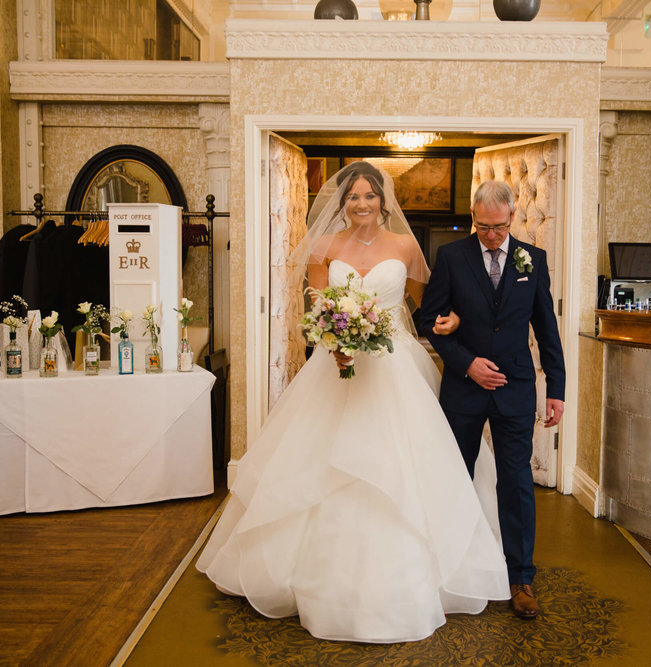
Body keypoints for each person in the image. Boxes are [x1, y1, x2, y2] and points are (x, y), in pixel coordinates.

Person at [196, 161, 509, 643]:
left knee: (405, 464)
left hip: (394, 364)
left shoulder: (406, 247)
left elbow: (429, 310)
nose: (362, 204)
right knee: (316, 463)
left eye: (370, 196)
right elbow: (319, 307)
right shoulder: (324, 247)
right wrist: (336, 339)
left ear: (384, 201)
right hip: (336, 365)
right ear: (341, 203)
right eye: (353, 197)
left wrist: (452, 324)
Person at [420, 180, 566, 620]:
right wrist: (466, 363)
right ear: (473, 216)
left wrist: (555, 389)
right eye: (482, 227)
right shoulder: (450, 256)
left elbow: (546, 329)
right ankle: (450, 566)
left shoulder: (533, 260)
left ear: (512, 217)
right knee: (455, 478)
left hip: (516, 388)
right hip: (464, 389)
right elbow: (429, 319)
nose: (491, 235)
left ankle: (520, 577)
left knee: (517, 484)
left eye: (498, 228)